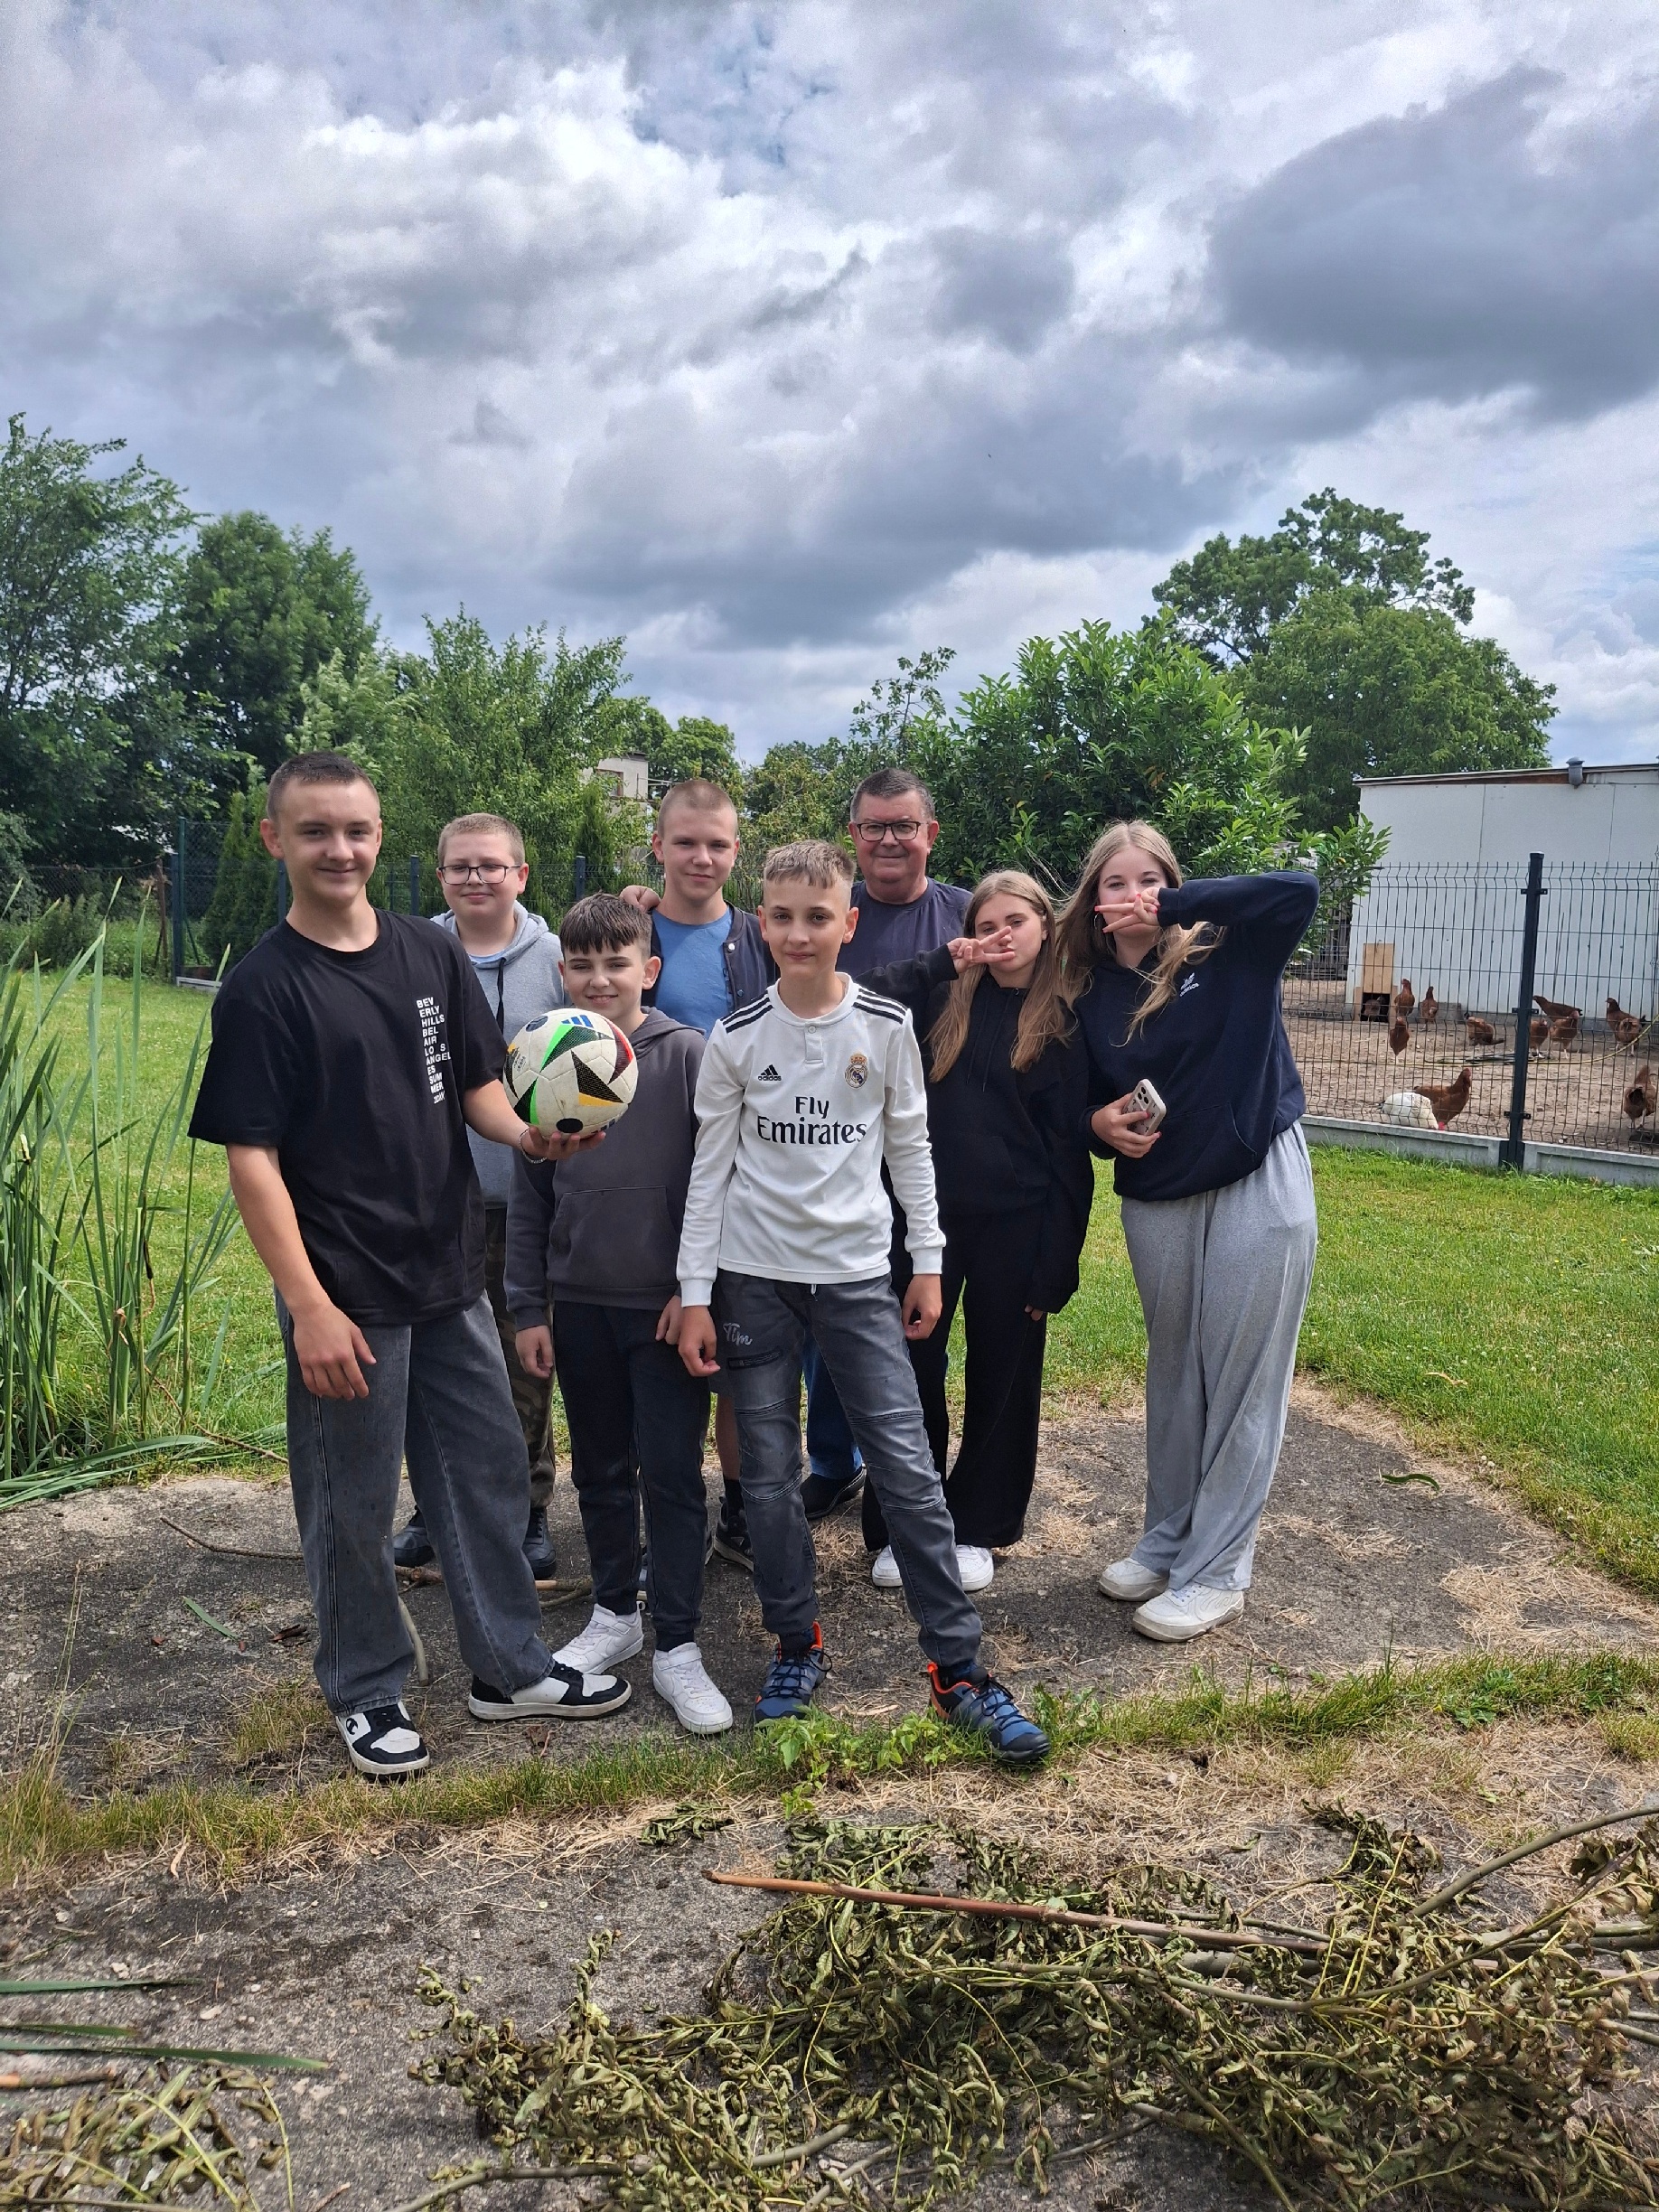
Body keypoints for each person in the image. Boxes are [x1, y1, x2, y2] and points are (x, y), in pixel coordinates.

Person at [188, 752, 630, 1782]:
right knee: (350, 1502)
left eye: (356, 830)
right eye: (315, 831)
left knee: (485, 1475)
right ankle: (366, 1686)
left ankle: (508, 1667)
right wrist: (307, 1306)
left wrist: (531, 1138)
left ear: (380, 836)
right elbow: (251, 1161)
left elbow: (476, 1086)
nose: (339, 850)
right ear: (276, 840)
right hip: (347, 1294)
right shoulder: (263, 989)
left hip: (448, 1274)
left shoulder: (426, 954)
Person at [674, 839, 1050, 1763]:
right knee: (769, 1481)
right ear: (762, 926)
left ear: (847, 924)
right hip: (753, 1283)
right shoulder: (735, 1037)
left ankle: (958, 1670)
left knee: (909, 1472)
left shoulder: (884, 1026)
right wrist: (695, 1294)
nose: (799, 933)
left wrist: (927, 1262)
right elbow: (708, 1175)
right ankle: (795, 1644)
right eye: (782, 916)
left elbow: (910, 1149)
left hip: (857, 1279)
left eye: (818, 917)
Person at [1061, 820, 1319, 1644]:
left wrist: (1179, 907)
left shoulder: (1229, 950)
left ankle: (1217, 1572)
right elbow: (1068, 1096)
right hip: (1159, 1196)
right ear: (1094, 902)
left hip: (1257, 1178)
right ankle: (1169, 1542)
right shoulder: (1086, 991)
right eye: (1116, 882)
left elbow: (1298, 891)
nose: (1133, 894)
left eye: (1151, 879)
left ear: (1174, 888)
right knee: (1175, 1375)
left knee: (1243, 1381)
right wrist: (1096, 1124)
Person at [506, 894, 730, 1734]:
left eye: (617, 963)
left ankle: (678, 1642)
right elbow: (530, 1197)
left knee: (670, 1473)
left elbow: (720, 1185)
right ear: (563, 972)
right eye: (582, 965)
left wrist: (695, 1291)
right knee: (598, 1469)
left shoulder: (688, 1057)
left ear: (650, 969)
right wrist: (529, 1307)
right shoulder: (540, 1056)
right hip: (580, 1305)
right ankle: (614, 1613)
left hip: (666, 1311)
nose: (600, 979)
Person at [857, 871, 1093, 1593]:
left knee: (1004, 1377)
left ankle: (978, 1525)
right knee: (908, 1372)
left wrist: (1056, 1264)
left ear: (1045, 927)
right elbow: (861, 996)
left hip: (1017, 1228)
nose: (1001, 936)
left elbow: (1069, 1155)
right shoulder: (938, 1002)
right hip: (925, 1223)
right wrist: (942, 962)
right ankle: (906, 1520)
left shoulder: (1064, 1022)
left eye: (1015, 921)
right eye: (986, 925)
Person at [394, 811, 566, 1582]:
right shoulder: (410, 955)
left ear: (520, 875)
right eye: (459, 867)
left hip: (526, 1198)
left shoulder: (556, 960)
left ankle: (527, 1509)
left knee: (523, 1362)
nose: (475, 878)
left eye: (490, 866)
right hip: (435, 1199)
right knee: (438, 1365)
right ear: (440, 878)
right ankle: (437, 1507)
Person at [801, 768, 972, 1520]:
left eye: (905, 825)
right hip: (838, 1153)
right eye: (874, 826)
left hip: (940, 1154)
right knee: (831, 1319)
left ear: (931, 833)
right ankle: (832, 1460)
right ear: (853, 836)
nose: (890, 839)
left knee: (915, 1324)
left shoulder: (967, 914)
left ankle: (902, 1469)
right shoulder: (831, 914)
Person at [623, 778, 774, 1572]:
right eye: (685, 842)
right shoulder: (628, 929)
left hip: (747, 1180)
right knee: (661, 1361)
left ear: (736, 852)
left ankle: (743, 1509)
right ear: (658, 846)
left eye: (717, 844)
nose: (701, 857)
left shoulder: (760, 936)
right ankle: (665, 1515)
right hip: (653, 1179)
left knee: (739, 1359)